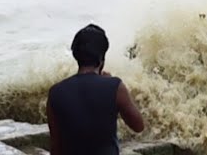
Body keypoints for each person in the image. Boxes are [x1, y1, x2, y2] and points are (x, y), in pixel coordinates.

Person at [46, 24, 145, 155]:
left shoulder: (55, 93)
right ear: (101, 58)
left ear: (76, 56)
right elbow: (138, 126)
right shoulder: (114, 86)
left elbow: (56, 147)